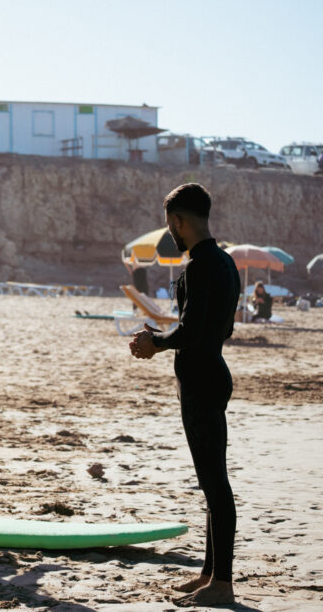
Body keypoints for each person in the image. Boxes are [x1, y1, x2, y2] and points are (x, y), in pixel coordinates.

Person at [129, 183, 240, 607]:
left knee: (215, 483)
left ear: (178, 221)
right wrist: (163, 339)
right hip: (213, 371)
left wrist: (154, 342)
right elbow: (218, 329)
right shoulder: (225, 263)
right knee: (211, 480)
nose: (170, 231)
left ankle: (223, 584)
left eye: (169, 224)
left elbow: (192, 331)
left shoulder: (197, 267)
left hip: (200, 380)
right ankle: (210, 574)